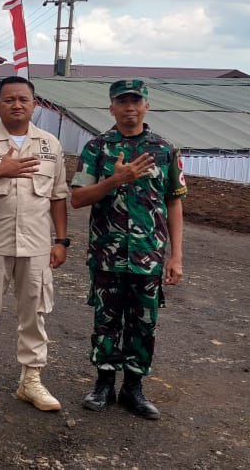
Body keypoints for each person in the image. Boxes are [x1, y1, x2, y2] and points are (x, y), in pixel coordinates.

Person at [70, 79, 186, 420]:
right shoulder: (98, 148)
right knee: (106, 321)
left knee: (143, 324)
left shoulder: (164, 150)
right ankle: (103, 383)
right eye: (122, 102)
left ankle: (133, 387)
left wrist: (176, 256)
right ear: (112, 107)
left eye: (136, 101)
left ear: (147, 106)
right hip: (107, 254)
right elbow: (77, 198)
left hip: (149, 255)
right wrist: (113, 181)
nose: (129, 107)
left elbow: (174, 204)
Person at [0, 76, 70, 412]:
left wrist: (61, 240)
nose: (17, 105)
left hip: (36, 245)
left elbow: (58, 196)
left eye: (23, 99)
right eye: (9, 100)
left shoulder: (50, 145)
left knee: (35, 314)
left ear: (34, 104)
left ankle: (31, 380)